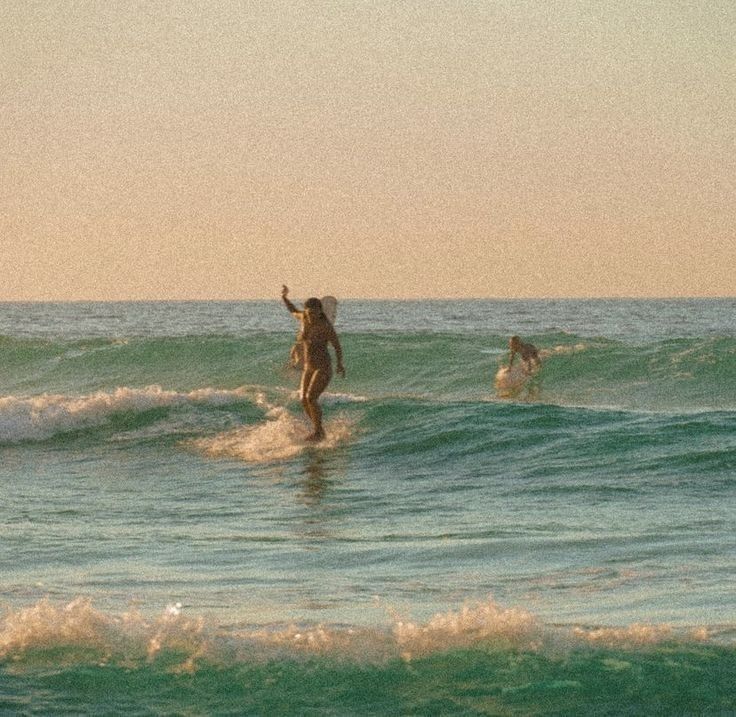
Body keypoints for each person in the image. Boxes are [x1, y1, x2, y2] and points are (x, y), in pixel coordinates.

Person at [281, 285, 345, 441]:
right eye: (309, 313)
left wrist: (339, 364)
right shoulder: (303, 318)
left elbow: (337, 346)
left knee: (311, 398)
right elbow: (292, 310)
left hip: (323, 367)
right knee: (303, 399)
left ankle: (318, 431)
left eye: (316, 313)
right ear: (306, 311)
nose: (312, 316)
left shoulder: (325, 327)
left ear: (320, 312)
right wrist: (284, 297)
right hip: (308, 367)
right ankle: (319, 429)